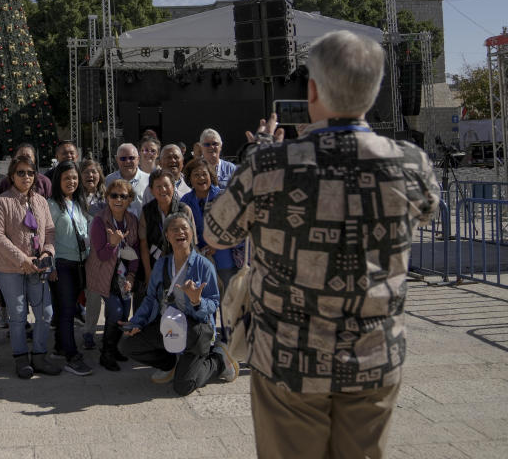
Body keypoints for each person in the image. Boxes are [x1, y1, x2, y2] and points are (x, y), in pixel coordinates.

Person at [204, 31, 440, 459]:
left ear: (312, 90)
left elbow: (215, 234)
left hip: (289, 363)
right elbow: (427, 212)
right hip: (374, 359)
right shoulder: (411, 163)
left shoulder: (268, 165)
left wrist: (260, 152)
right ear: (374, 89)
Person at [119, 212, 237, 396]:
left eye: (184, 228)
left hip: (195, 329)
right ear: (167, 235)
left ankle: (219, 360)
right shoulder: (162, 264)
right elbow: (150, 298)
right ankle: (169, 364)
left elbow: (214, 302)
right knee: (127, 345)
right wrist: (137, 322)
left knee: (183, 386)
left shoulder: (204, 265)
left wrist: (197, 301)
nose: (180, 232)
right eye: (174, 229)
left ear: (191, 234)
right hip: (168, 324)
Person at [0, 154, 61, 378]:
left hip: (38, 268)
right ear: (12, 176)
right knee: (18, 315)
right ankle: (21, 358)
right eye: (21, 172)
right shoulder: (2, 201)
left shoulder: (41, 201)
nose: (26, 177)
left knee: (45, 313)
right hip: (10, 268)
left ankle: (39, 355)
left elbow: (49, 231)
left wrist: (48, 252)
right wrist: (22, 259)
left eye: (30, 173)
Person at [85, 178, 139, 371]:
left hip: (124, 276)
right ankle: (106, 353)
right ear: (107, 197)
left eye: (123, 196)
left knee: (125, 312)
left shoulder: (132, 220)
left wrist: (132, 276)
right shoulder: (100, 221)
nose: (118, 199)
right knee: (115, 311)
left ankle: (114, 348)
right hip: (104, 274)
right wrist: (114, 243)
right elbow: (101, 254)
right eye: (114, 195)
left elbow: (135, 251)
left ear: (130, 199)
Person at [47, 161, 93, 376]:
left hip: (80, 264)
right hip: (62, 265)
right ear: (58, 180)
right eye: (66, 178)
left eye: (74, 178)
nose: (71, 182)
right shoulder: (52, 205)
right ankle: (71, 356)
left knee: (68, 309)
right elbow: (46, 237)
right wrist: (51, 266)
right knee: (66, 312)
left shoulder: (78, 202)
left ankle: (59, 347)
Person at [180, 158, 242, 296]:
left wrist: (217, 244)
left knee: (227, 302)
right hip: (199, 259)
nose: (201, 178)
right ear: (190, 178)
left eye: (204, 174)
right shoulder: (185, 201)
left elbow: (234, 227)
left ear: (211, 176)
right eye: (196, 175)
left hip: (224, 259)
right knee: (205, 302)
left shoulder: (223, 196)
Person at [139, 169, 195, 294]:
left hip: (180, 266)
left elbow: (192, 244)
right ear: (151, 190)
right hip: (155, 265)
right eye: (158, 187)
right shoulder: (146, 212)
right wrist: (149, 275)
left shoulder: (184, 210)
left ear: (173, 187)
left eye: (166, 185)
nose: (163, 190)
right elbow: (143, 245)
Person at [78, 158, 106, 350]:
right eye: (86, 172)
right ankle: (86, 329)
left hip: (102, 255)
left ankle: (93, 331)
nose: (90, 175)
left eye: (93, 172)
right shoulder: (73, 198)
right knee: (87, 294)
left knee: (96, 295)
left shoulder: (106, 198)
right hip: (79, 254)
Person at [104, 143, 148, 216]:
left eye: (131, 158)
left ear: (138, 159)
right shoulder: (109, 180)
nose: (127, 161)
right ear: (117, 159)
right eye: (123, 158)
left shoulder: (148, 180)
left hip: (142, 226)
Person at [199, 128, 236, 193]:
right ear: (201, 147)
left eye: (215, 144)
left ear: (221, 146)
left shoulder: (231, 168)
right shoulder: (196, 168)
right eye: (207, 144)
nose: (211, 147)